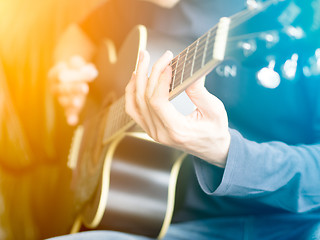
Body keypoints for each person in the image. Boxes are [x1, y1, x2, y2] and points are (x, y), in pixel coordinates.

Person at [49, 0, 320, 239]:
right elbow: (80, 33)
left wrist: (225, 153)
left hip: (298, 226)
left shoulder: (297, 21)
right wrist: (67, 71)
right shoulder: (145, 6)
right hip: (171, 224)